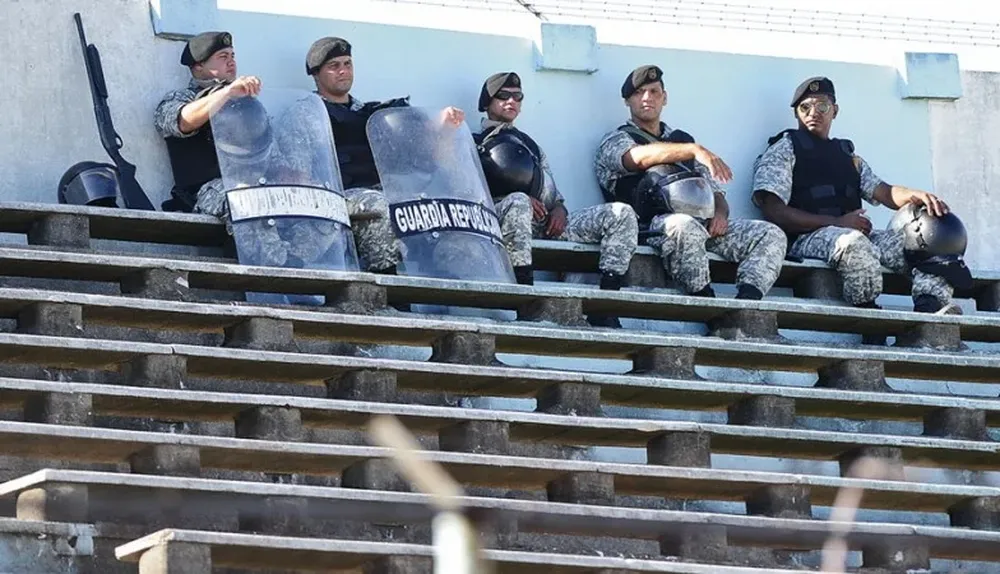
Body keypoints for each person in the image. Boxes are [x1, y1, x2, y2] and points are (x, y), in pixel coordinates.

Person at [752, 76, 967, 322]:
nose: (814, 113)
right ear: (796, 114)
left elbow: (883, 192)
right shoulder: (784, 148)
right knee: (853, 242)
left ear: (835, 111)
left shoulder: (847, 155)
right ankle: (868, 315)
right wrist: (837, 222)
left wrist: (915, 195)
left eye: (822, 106)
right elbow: (774, 210)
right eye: (805, 107)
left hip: (854, 235)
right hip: (806, 239)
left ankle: (929, 311)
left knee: (931, 243)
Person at [594, 65, 787, 300]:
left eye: (654, 92)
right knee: (683, 225)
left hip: (701, 223)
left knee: (770, 234)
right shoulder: (617, 138)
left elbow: (715, 192)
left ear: (665, 98)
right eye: (639, 93)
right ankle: (706, 299)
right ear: (627, 101)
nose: (647, 98)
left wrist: (720, 215)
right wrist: (693, 150)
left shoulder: (681, 139)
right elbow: (636, 159)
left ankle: (747, 301)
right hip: (651, 227)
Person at [475, 72, 638, 328]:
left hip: (544, 222)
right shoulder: (475, 142)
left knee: (620, 213)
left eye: (517, 97)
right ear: (487, 102)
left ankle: (606, 302)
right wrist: (516, 198)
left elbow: (553, 192)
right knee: (518, 201)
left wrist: (560, 210)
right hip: (504, 219)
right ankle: (525, 299)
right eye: (503, 96)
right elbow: (471, 191)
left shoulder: (531, 145)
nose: (511, 101)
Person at [305, 36, 464, 275]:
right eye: (334, 66)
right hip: (335, 196)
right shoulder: (308, 112)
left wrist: (443, 126)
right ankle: (386, 284)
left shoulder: (370, 114)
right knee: (379, 204)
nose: (343, 71)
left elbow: (421, 155)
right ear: (317, 73)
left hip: (377, 191)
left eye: (347, 64)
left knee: (426, 206)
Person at [154, 31, 262, 213]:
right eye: (223, 56)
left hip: (251, 184)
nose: (231, 62)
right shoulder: (181, 98)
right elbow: (182, 121)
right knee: (243, 200)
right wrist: (227, 92)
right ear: (198, 66)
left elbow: (264, 147)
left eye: (232, 56)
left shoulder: (246, 104)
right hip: (207, 192)